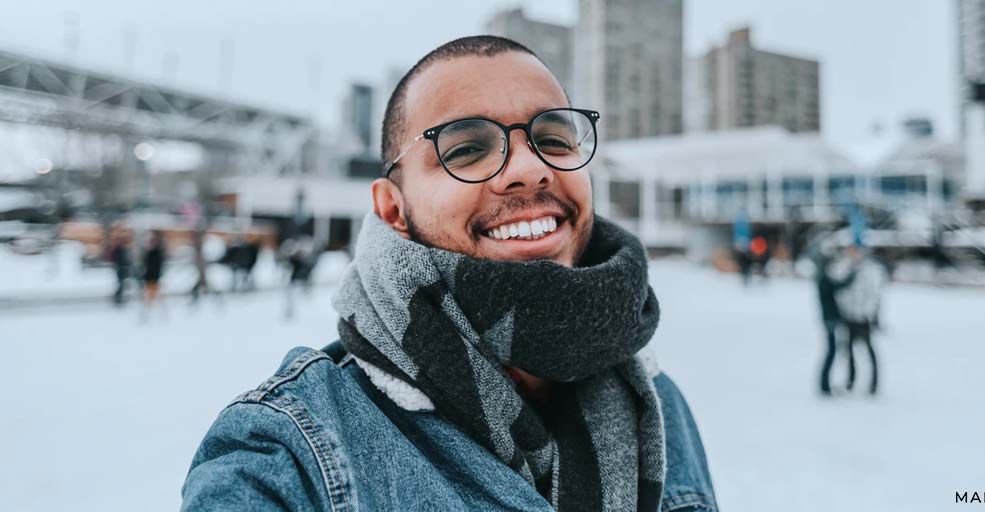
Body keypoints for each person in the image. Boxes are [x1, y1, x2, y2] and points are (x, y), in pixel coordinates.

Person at [182, 36, 716, 511]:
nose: (530, 168)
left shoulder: (654, 400)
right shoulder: (292, 450)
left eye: (553, 138)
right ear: (393, 209)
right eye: (466, 149)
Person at [834, 244, 887, 396]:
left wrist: (868, 313)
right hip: (849, 317)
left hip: (863, 318)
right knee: (849, 351)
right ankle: (850, 381)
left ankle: (874, 384)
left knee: (869, 351)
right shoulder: (845, 267)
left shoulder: (871, 270)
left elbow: (875, 294)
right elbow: (841, 291)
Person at [813, 242, 855, 396]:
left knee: (832, 351)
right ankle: (824, 386)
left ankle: (825, 385)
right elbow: (840, 286)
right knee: (831, 352)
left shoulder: (822, 278)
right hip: (830, 320)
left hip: (830, 319)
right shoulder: (824, 279)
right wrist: (852, 275)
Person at [140, 230, 167, 321]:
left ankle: (161, 315)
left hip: (154, 279)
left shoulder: (156, 253)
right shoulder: (148, 253)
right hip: (149, 279)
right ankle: (147, 314)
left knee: (156, 298)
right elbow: (146, 266)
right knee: (149, 298)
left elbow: (156, 267)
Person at [107, 225, 132, 307]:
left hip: (121, 267)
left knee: (121, 283)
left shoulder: (120, 248)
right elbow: (122, 259)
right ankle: (117, 299)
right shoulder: (120, 249)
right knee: (121, 284)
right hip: (121, 267)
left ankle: (118, 298)